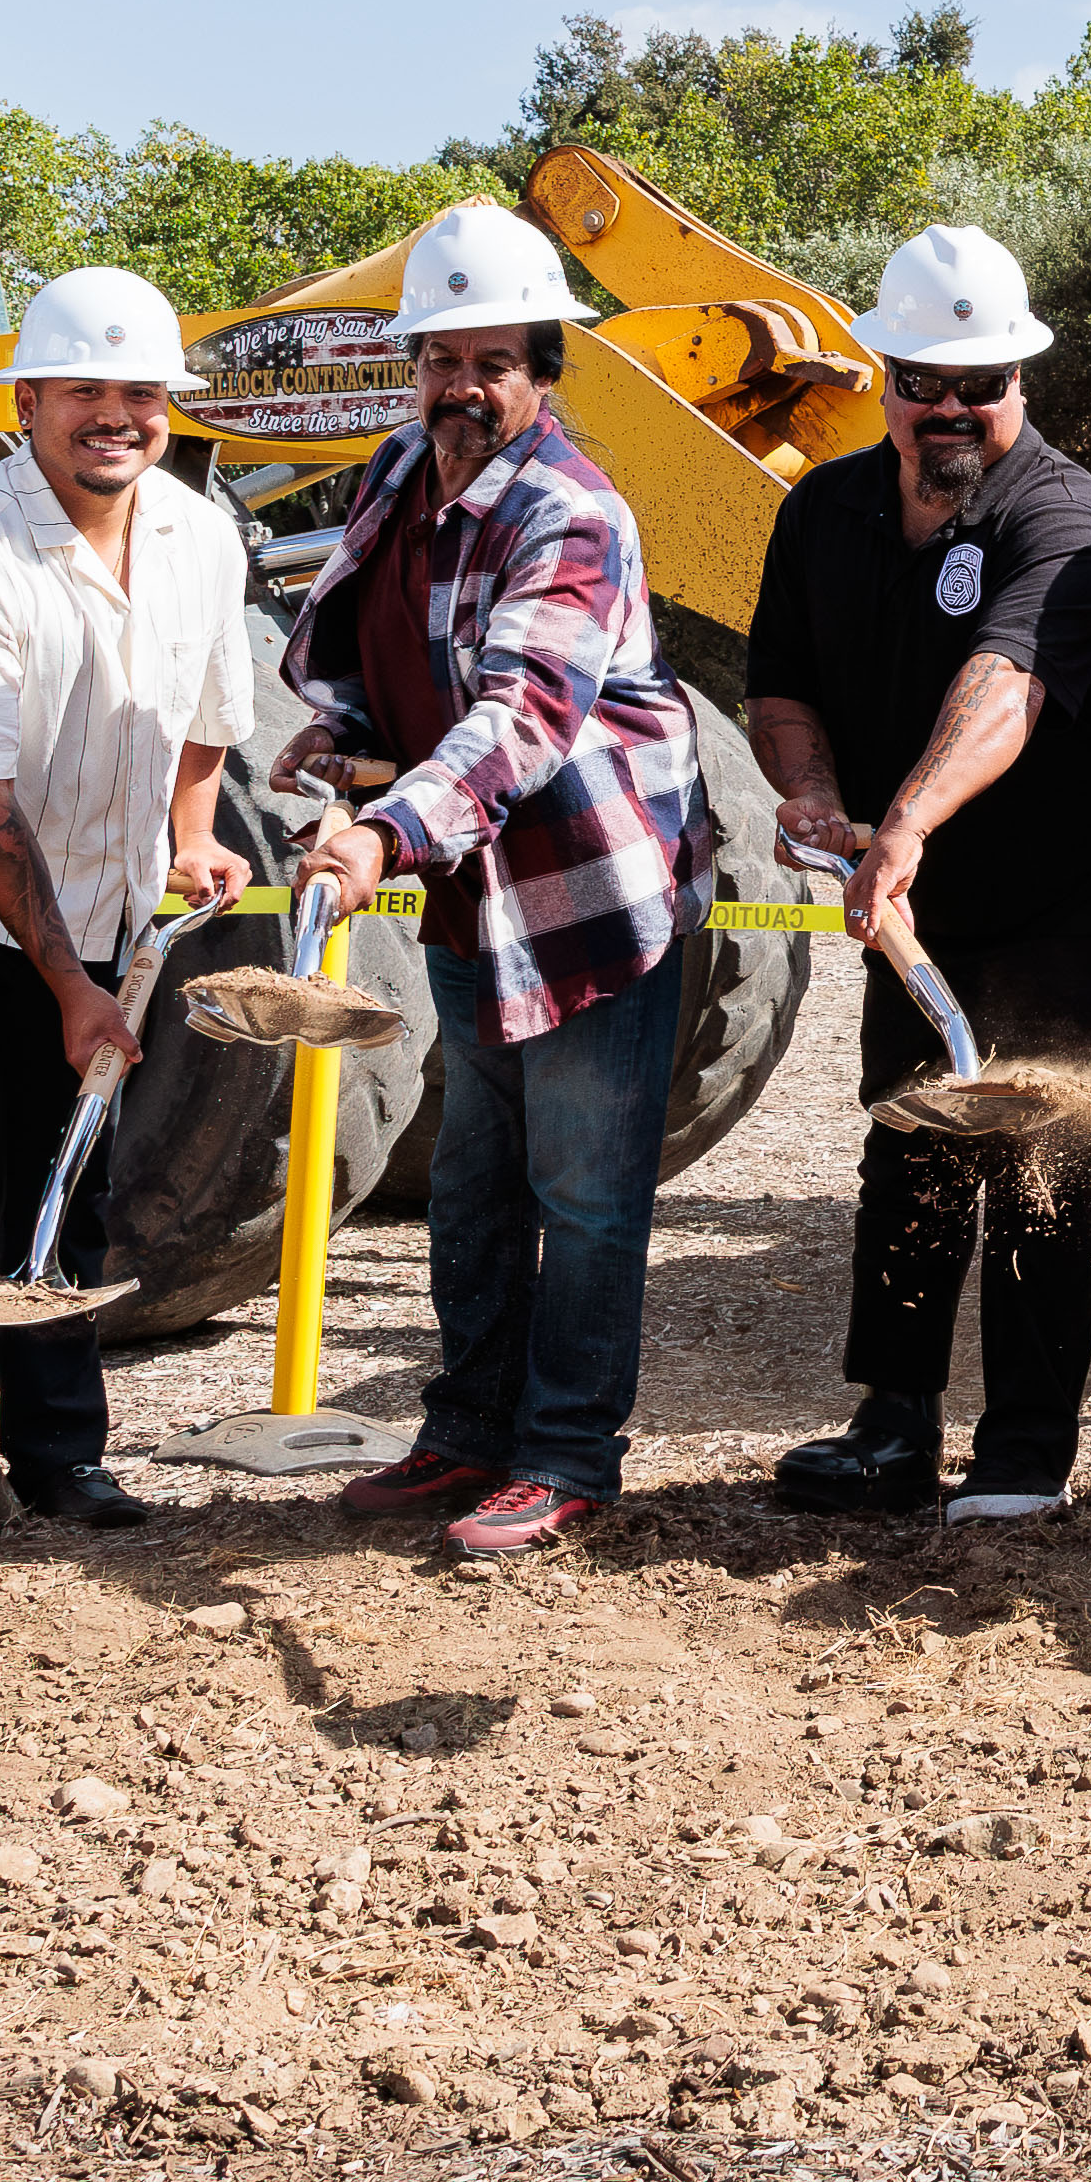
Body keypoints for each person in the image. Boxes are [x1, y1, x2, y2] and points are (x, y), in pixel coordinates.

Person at [749, 225, 1091, 1526]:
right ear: (881, 378)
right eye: (921, 381)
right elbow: (781, 685)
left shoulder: (1064, 516)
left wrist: (908, 822)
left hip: (1089, 897)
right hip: (932, 904)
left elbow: (1003, 688)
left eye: (979, 385)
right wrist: (822, 795)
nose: (949, 409)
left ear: (1022, 383)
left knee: (1044, 1159)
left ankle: (1023, 1451)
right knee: (913, 1143)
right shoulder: (823, 509)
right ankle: (890, 1427)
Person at [282, 202, 707, 1565]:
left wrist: (379, 839)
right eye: (440, 359)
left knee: (584, 1194)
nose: (462, 387)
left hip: (579, 903)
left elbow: (522, 711)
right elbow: (395, 645)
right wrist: (347, 740)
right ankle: (467, 1432)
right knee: (475, 1182)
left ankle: (569, 1457)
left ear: (544, 371)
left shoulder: (572, 513)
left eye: (494, 362)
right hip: (477, 898)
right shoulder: (400, 472)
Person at [0, 265, 254, 1562]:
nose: (115, 414)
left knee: (67, 1180)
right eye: (86, 390)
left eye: (140, 392)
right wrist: (75, 991)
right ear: (27, 400)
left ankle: (63, 1453)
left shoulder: (199, 534)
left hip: (99, 897)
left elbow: (206, 711)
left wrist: (189, 843)